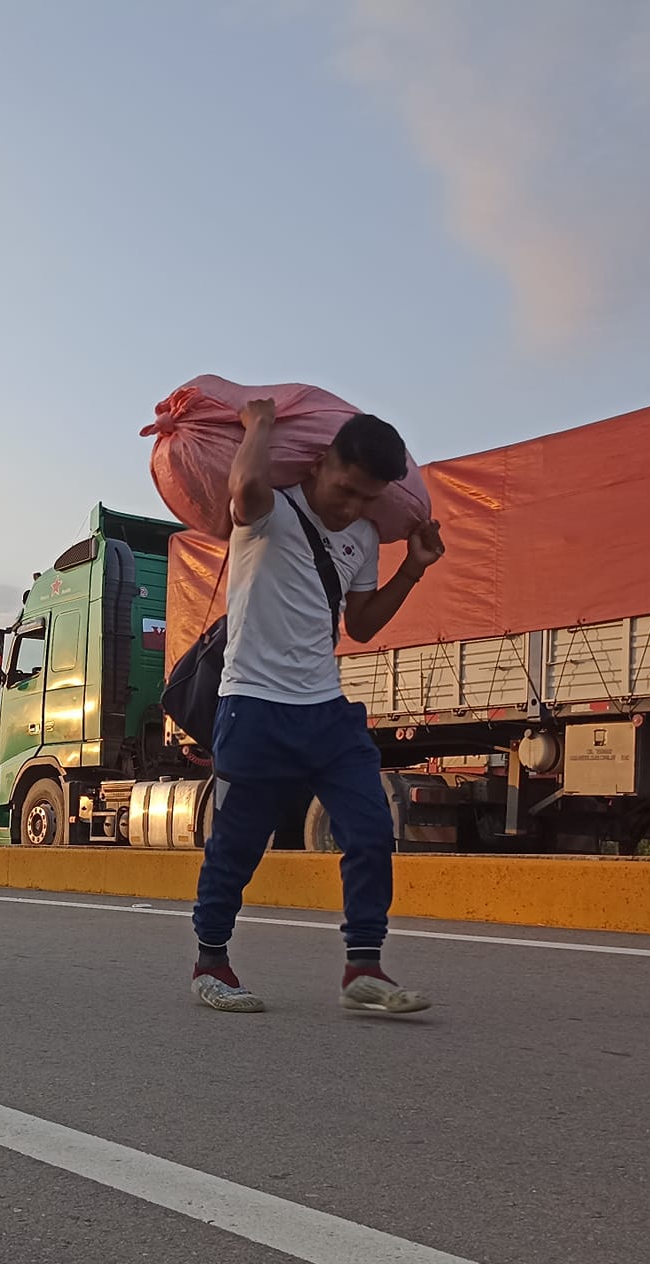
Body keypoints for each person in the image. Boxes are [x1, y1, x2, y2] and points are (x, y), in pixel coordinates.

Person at [190, 402, 446, 1016]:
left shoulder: (363, 538)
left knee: (371, 830)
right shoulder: (268, 512)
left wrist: (413, 568)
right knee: (239, 845)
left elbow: (361, 626)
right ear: (320, 463)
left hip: (326, 710)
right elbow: (244, 486)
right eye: (345, 489)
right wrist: (259, 426)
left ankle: (364, 967)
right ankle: (211, 961)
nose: (352, 507)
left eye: (367, 498)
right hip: (254, 706)